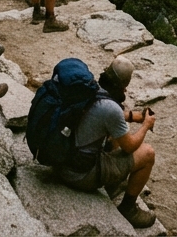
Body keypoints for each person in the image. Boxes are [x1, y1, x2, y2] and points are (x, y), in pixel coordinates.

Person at [57, 56, 157, 228]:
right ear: (124, 86)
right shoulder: (111, 110)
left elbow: (104, 113)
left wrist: (134, 117)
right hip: (79, 175)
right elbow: (130, 146)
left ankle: (113, 181)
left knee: (117, 130)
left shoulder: (91, 88)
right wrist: (146, 125)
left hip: (62, 161)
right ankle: (128, 209)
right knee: (148, 154)